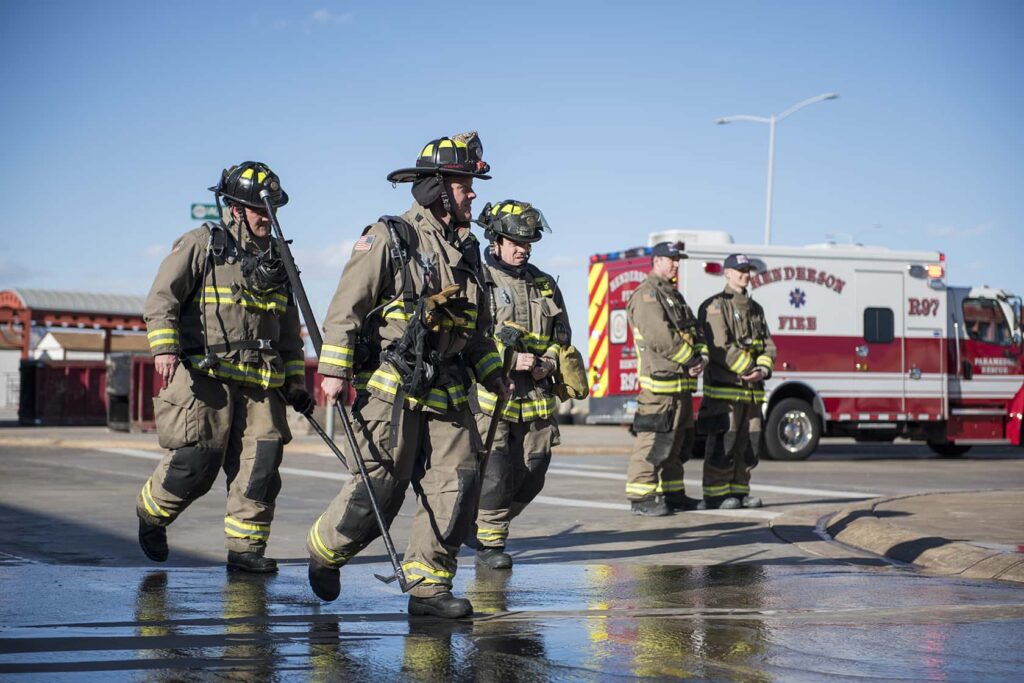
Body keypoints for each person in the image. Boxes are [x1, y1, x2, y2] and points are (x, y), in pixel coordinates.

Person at [305, 133, 510, 618]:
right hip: (393, 386)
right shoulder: (392, 236)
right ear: (439, 189)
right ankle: (325, 550)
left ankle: (428, 587)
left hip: (451, 386)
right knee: (381, 486)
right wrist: (333, 369)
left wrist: (493, 372)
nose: (473, 194)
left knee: (455, 483)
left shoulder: (469, 251)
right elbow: (346, 308)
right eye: (465, 185)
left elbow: (477, 329)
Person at [136, 161, 314, 573]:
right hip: (205, 377)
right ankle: (152, 514)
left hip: (262, 386)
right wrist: (163, 348)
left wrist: (296, 383)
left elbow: (290, 332)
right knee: (195, 465)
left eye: (273, 211)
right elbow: (162, 299)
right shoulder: (202, 244)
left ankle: (245, 550)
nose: (268, 218)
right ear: (236, 210)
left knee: (261, 467)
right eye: (260, 210)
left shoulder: (280, 260)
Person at [470, 199, 570, 568]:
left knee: (533, 474)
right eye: (514, 243)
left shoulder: (544, 284)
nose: (521, 250)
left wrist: (550, 361)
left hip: (538, 398)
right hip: (493, 396)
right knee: (495, 474)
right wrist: (510, 359)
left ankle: (481, 525)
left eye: (526, 244)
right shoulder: (478, 280)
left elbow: (563, 337)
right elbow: (468, 335)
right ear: (494, 241)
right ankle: (490, 545)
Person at [625, 241, 706, 516]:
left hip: (681, 386)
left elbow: (695, 330)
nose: (676, 264)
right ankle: (642, 496)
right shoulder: (647, 295)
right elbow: (661, 337)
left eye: (677, 260)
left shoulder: (674, 295)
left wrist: (701, 357)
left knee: (677, 444)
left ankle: (674, 494)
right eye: (671, 259)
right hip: (658, 387)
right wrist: (692, 359)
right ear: (656, 260)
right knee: (653, 442)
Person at [697, 253, 776, 509]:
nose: (745, 274)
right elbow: (720, 346)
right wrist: (748, 367)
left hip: (752, 392)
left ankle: (741, 490)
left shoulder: (756, 309)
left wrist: (762, 370)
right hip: (725, 393)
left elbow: (768, 345)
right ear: (727, 273)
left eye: (747, 270)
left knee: (749, 443)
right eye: (739, 270)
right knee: (724, 442)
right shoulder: (715, 306)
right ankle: (716, 495)